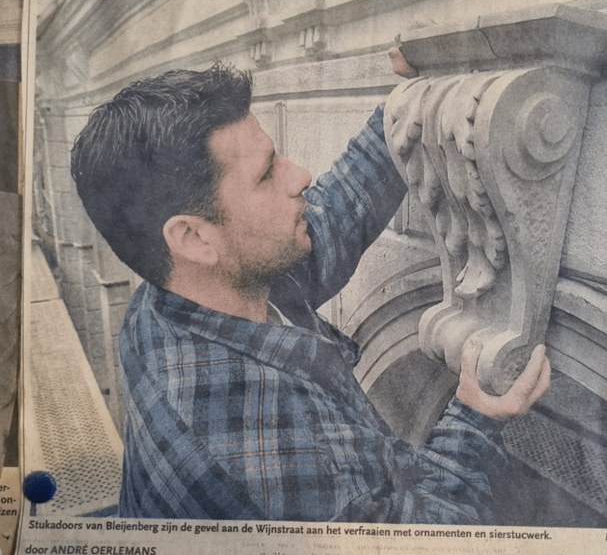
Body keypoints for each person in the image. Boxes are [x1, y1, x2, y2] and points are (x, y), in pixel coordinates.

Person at [70, 61, 550, 524]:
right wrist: (474, 420)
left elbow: (332, 220)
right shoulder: (253, 457)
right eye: (265, 174)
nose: (299, 175)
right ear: (193, 237)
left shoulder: (179, 291)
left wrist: (409, 107)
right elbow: (423, 549)